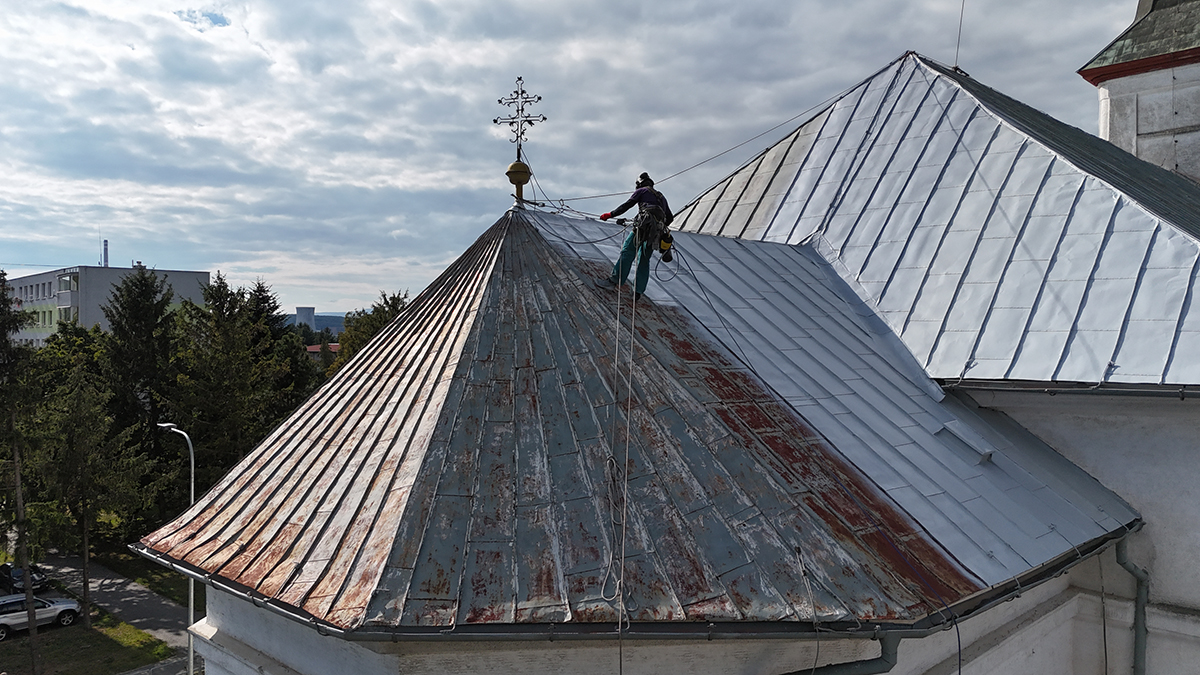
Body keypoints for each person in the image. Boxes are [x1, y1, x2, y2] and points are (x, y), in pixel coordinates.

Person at [595, 172, 673, 297]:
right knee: (644, 259)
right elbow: (669, 218)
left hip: (642, 228)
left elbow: (627, 205)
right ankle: (637, 292)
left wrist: (610, 214)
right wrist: (657, 225)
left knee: (628, 251)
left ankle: (613, 281)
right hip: (656, 233)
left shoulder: (642, 191)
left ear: (639, 184)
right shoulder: (661, 197)